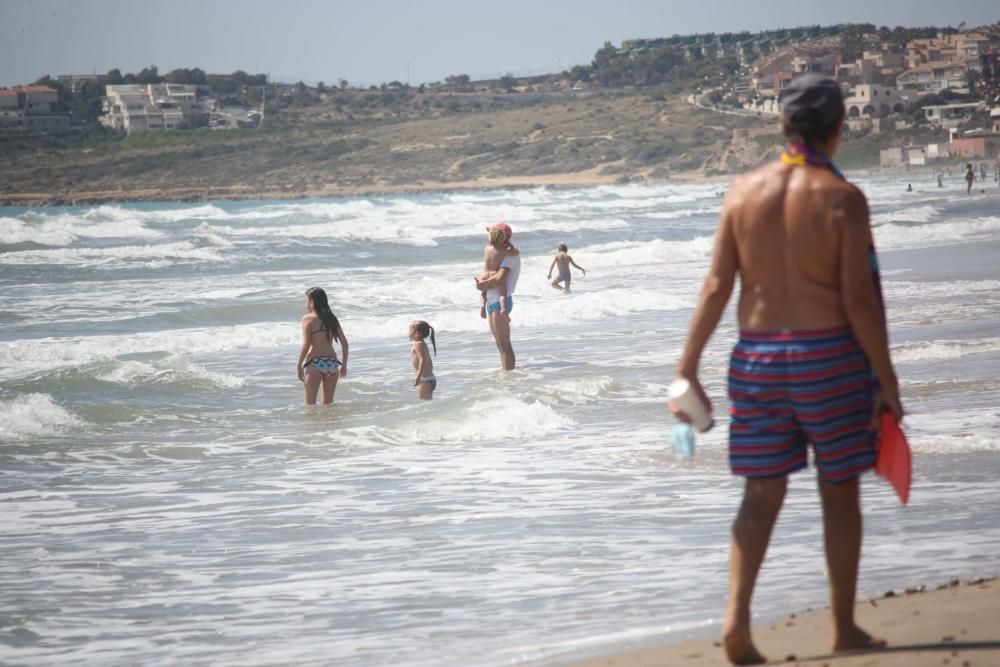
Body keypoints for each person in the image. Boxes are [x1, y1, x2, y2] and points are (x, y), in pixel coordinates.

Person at [668, 74, 903, 665]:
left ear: (782, 124)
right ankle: (843, 627)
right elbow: (856, 301)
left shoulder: (743, 192)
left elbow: (718, 285)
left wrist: (687, 368)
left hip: (757, 359)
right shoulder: (841, 197)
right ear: (838, 126)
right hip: (830, 358)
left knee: (761, 493)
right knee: (839, 490)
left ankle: (736, 622)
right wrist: (888, 379)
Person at [474, 223, 521, 371]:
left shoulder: (492, 251)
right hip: (493, 297)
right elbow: (515, 250)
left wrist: (482, 285)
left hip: (500, 299)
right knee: (500, 344)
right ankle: (506, 374)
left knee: (504, 344)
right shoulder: (504, 252)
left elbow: (500, 279)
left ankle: (509, 377)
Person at [297, 287, 349, 405]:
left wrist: (299, 364)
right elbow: (345, 344)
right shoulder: (331, 318)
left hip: (314, 363)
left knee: (310, 407)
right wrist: (344, 365)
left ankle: (314, 424)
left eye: (306, 301)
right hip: (332, 363)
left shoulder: (307, 319)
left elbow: (306, 345)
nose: (305, 304)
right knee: (329, 406)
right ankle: (330, 424)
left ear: (312, 302)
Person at [477, 226, 519, 319]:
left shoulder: (486, 248)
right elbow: (516, 252)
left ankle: (482, 306)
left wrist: (491, 233)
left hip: (484, 275)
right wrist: (508, 242)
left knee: (483, 294)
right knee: (502, 295)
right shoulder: (502, 251)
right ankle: (503, 309)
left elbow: (491, 239)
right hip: (494, 274)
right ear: (503, 239)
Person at [409, 320, 436, 400]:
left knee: (424, 405)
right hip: (429, 378)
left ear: (417, 333)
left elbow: (423, 360)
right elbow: (430, 362)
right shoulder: (423, 344)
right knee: (427, 405)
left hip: (424, 380)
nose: (408, 333)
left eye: (410, 330)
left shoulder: (418, 345)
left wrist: (418, 377)